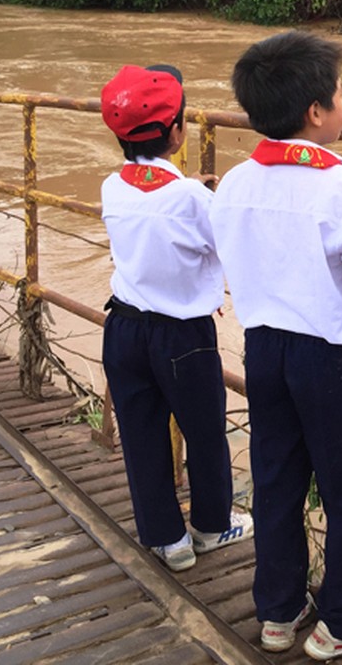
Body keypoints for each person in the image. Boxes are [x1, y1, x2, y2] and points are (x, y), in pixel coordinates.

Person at [210, 31, 342, 659]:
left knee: (276, 478)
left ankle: (279, 611)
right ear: (316, 112)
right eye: (341, 95)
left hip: (264, 349)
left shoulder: (237, 181)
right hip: (334, 361)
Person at [99, 64, 253, 573]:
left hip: (122, 329)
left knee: (141, 434)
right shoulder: (193, 198)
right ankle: (211, 526)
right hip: (182, 336)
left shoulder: (111, 188)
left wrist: (192, 189)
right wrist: (209, 193)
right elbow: (229, 241)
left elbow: (153, 198)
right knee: (205, 430)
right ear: (179, 131)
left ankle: (168, 541)